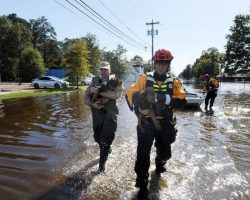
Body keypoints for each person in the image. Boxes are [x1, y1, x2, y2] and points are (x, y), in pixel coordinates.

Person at [126, 49, 187, 197]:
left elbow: (182, 102)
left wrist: (163, 98)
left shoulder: (174, 81)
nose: (161, 66)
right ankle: (142, 182)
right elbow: (130, 94)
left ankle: (160, 162)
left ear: (168, 64)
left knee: (166, 153)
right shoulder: (144, 79)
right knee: (142, 155)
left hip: (165, 123)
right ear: (155, 63)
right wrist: (138, 110)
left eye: (164, 63)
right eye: (159, 63)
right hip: (146, 123)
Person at [84, 61, 124, 173]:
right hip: (97, 115)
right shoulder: (94, 82)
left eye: (106, 69)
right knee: (97, 138)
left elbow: (117, 95)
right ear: (100, 71)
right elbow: (85, 98)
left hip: (110, 115)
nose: (104, 71)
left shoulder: (115, 82)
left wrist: (99, 92)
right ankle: (107, 149)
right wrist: (92, 104)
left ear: (110, 70)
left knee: (105, 141)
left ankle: (101, 169)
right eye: (102, 69)